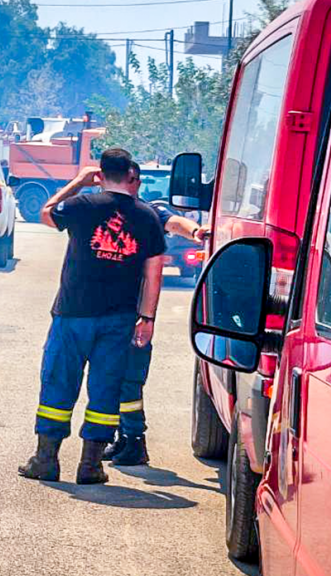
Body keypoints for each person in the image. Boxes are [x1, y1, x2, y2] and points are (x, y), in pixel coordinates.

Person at [18, 148, 167, 485]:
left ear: (100, 174)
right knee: (106, 388)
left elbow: (45, 213)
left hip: (73, 313)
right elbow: (153, 273)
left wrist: (77, 182)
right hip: (119, 319)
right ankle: (90, 466)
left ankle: (46, 460)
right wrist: (147, 318)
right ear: (131, 175)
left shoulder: (81, 205)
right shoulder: (147, 217)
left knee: (58, 382)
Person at [103, 182, 211, 466]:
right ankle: (123, 438)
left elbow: (174, 222)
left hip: (135, 313)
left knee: (129, 380)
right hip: (108, 312)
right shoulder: (102, 211)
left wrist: (197, 232)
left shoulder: (148, 213)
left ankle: (135, 441)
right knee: (112, 380)